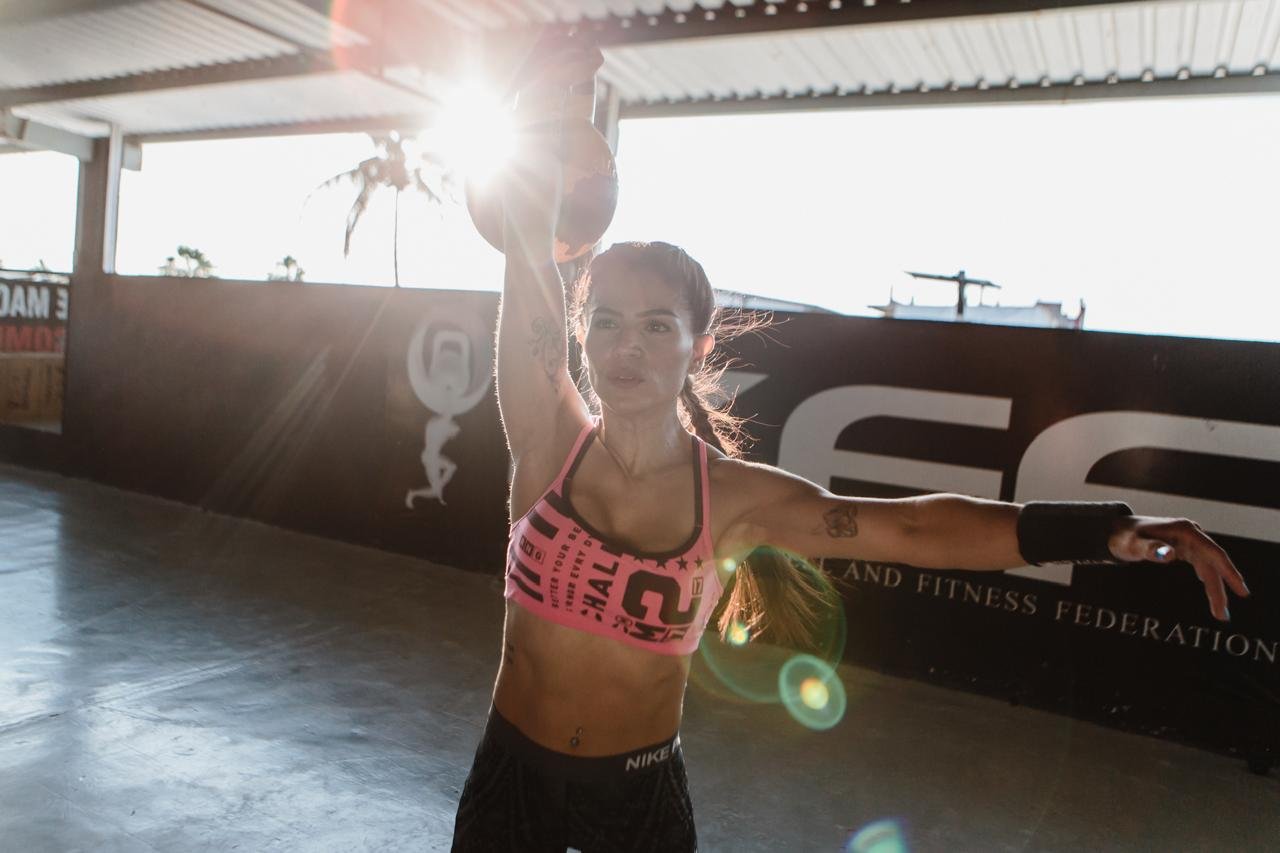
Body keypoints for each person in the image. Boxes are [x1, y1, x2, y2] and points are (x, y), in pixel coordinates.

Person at [450, 46, 1251, 853]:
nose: (628, 347)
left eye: (657, 325)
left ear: (699, 347)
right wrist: (551, 110)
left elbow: (914, 528)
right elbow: (527, 246)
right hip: (512, 777)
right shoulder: (547, 439)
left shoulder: (731, 499)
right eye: (608, 323)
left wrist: (1104, 529)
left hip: (635, 800)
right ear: (580, 336)